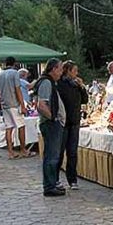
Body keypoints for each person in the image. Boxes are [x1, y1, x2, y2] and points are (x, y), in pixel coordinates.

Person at [36, 58, 66, 197]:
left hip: (53, 123)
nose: (61, 72)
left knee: (53, 155)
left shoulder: (50, 82)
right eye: (60, 69)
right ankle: (49, 186)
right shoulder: (47, 83)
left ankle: (52, 183)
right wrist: (53, 118)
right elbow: (41, 105)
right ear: (53, 69)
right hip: (50, 124)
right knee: (51, 156)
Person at [56, 60, 88, 190]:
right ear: (68, 71)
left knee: (72, 152)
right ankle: (56, 179)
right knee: (60, 152)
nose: (76, 73)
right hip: (63, 123)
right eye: (74, 71)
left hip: (75, 122)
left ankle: (72, 179)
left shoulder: (76, 85)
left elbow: (85, 100)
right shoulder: (59, 84)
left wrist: (82, 87)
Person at [0, 57, 32, 159]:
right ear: (14, 63)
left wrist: (1, 101)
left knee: (9, 128)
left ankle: (10, 152)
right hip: (14, 104)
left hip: (5, 105)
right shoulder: (14, 73)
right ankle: (23, 150)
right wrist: (23, 106)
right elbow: (18, 89)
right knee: (21, 126)